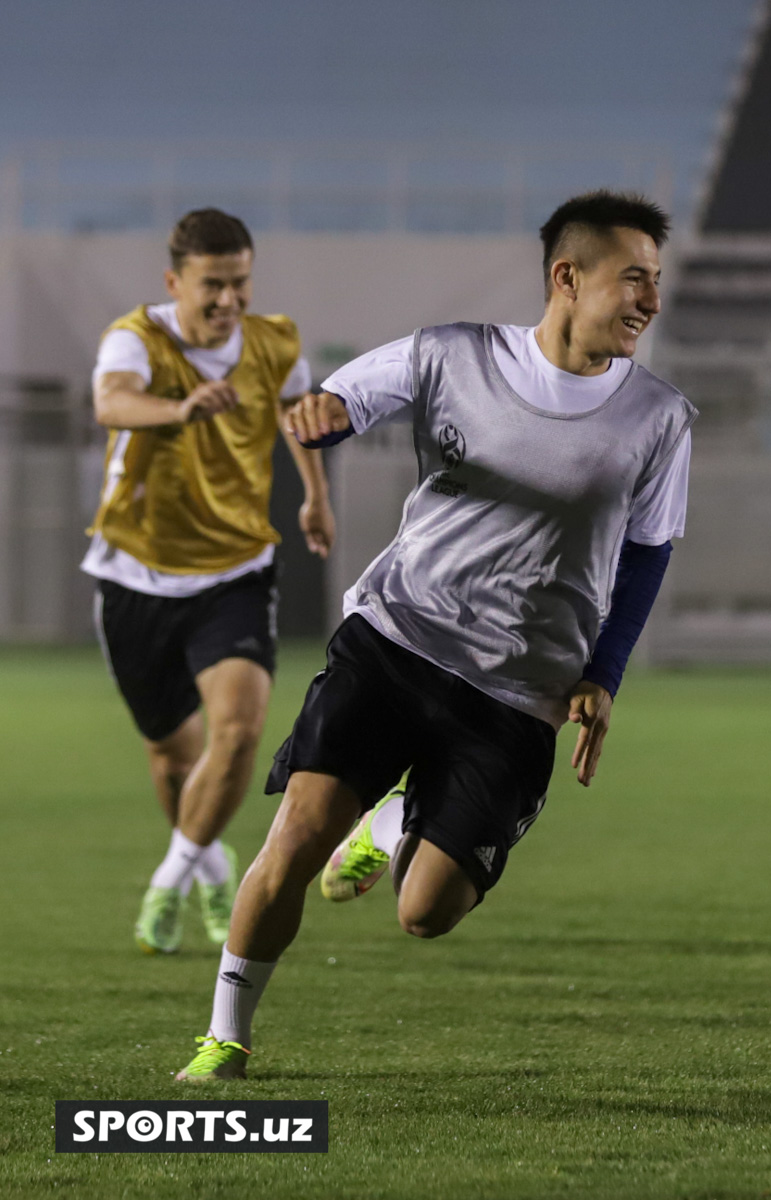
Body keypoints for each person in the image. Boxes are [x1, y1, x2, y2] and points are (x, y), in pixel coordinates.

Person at [174, 190, 692, 1082]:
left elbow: (647, 554)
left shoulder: (661, 418)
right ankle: (225, 1034)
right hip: (397, 643)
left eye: (655, 281)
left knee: (427, 911)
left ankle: (392, 817)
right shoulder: (453, 355)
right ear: (568, 278)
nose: (650, 299)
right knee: (297, 836)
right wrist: (324, 415)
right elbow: (345, 394)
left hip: (519, 692)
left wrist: (603, 674)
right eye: (633, 279)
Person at [89, 208, 334, 956]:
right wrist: (180, 407)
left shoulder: (274, 341)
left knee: (238, 732)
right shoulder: (137, 337)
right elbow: (111, 401)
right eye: (212, 286)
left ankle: (170, 876)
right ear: (175, 282)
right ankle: (207, 855)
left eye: (239, 283)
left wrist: (314, 493)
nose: (228, 300)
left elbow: (298, 412)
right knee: (173, 757)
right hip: (135, 576)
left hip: (235, 571)